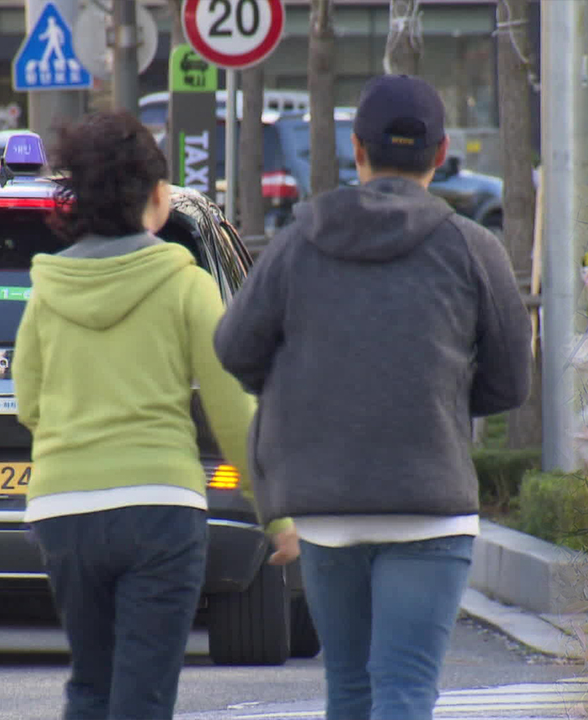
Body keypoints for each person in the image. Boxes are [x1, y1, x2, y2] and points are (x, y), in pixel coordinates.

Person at [213, 74, 533, 720]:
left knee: (350, 691)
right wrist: (434, 399)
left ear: (357, 150)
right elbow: (509, 383)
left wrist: (313, 389)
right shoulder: (474, 249)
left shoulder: (297, 244)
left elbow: (234, 349)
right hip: (431, 504)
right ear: (441, 155)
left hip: (329, 511)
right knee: (405, 691)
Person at [12, 110, 296, 720]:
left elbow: (29, 402)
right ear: (157, 196)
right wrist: (277, 517)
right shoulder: (184, 283)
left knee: (91, 684)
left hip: (64, 513)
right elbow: (230, 409)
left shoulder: (45, 290)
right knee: (142, 695)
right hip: (159, 510)